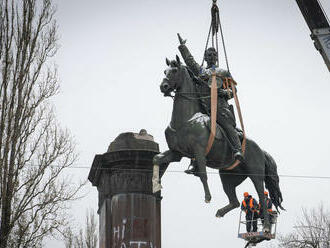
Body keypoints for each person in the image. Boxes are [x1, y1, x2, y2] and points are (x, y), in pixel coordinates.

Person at [177, 34, 244, 176]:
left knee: (226, 125)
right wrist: (183, 47)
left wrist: (225, 93)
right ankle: (196, 161)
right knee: (195, 132)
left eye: (214, 54)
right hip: (203, 107)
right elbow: (190, 61)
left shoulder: (223, 72)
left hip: (220, 107)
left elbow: (234, 90)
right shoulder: (201, 71)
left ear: (216, 57)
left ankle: (237, 149)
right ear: (206, 57)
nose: (211, 56)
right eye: (209, 54)